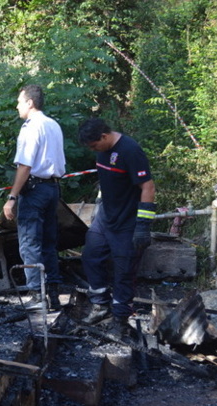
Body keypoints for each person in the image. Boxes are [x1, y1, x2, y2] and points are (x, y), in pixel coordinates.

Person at [77, 118, 156, 336]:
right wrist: (99, 205)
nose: (94, 150)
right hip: (105, 217)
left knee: (124, 269)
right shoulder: (102, 150)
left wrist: (143, 225)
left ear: (104, 136)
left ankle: (120, 317)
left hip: (127, 222)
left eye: (94, 146)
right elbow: (106, 181)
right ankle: (101, 305)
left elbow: (148, 187)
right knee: (91, 257)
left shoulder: (130, 151)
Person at [3, 84, 66, 310]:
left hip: (35, 190)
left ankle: (36, 296)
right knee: (49, 243)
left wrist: (12, 197)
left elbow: (25, 165)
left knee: (30, 242)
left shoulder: (31, 127)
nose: (17, 105)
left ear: (30, 103)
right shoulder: (53, 125)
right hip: (53, 188)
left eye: (20, 101)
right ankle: (54, 293)